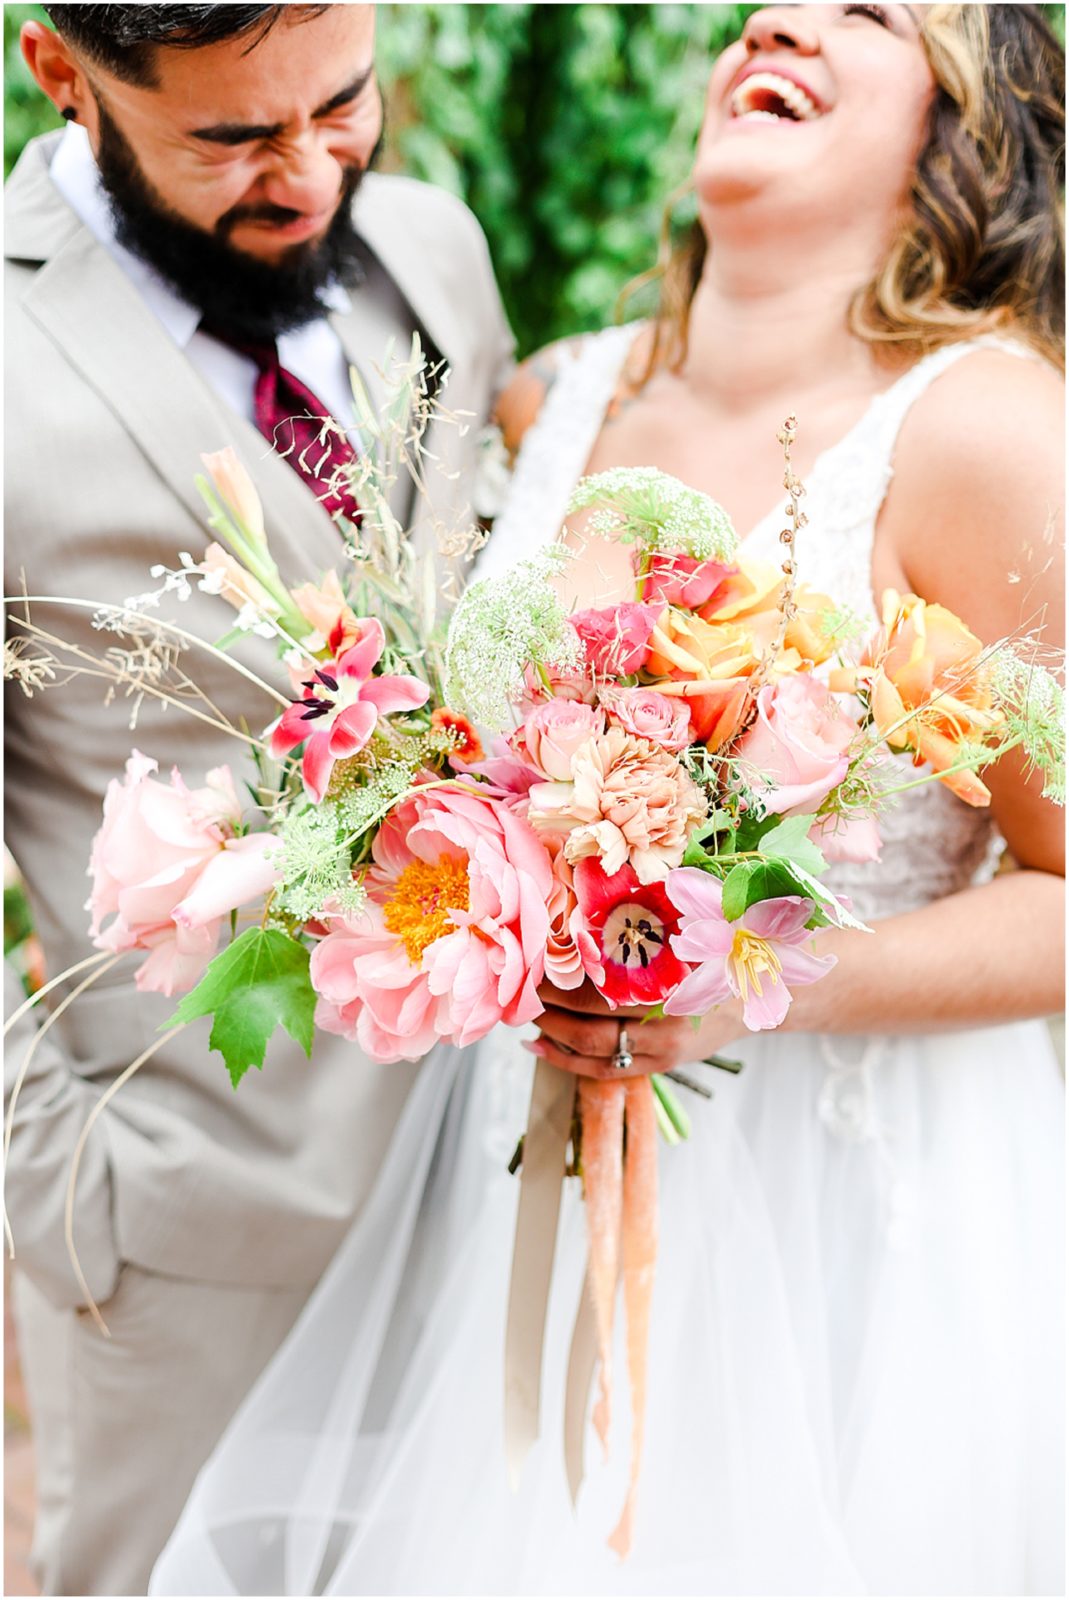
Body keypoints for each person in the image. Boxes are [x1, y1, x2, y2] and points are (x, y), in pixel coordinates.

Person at [150, 4, 1064, 1595]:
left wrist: (740, 987)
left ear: (959, 131)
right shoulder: (554, 401)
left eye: (866, 9)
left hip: (835, 1218)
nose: (775, 19)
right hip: (509, 1167)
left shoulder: (987, 434)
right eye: (772, 0)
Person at [3, 4, 513, 1593]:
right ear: (66, 76)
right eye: (231, 138)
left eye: (342, 104)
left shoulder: (427, 244)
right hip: (184, 1223)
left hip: (486, 1178)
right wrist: (64, 1170)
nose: (308, 174)